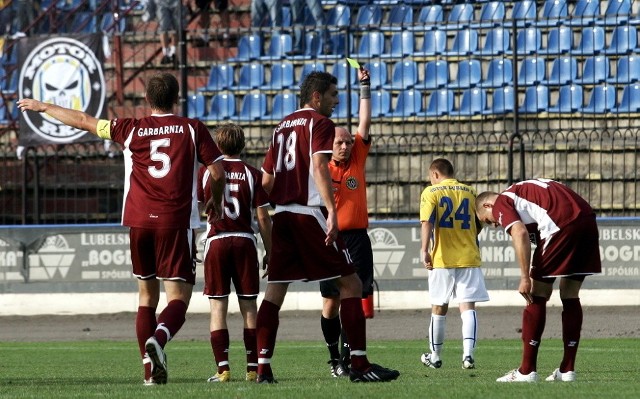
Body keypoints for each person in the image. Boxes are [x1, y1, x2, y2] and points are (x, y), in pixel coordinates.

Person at [17, 72, 226, 386]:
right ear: (176, 98)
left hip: (139, 221)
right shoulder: (192, 129)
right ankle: (159, 337)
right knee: (179, 299)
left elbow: (84, 120)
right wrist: (215, 203)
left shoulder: (130, 129)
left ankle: (149, 372)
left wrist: (42, 106)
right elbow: (218, 171)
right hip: (175, 221)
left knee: (145, 297)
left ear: (146, 100)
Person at [256, 71, 400, 384]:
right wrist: (331, 211)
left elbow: (265, 182)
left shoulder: (281, 128)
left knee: (274, 293)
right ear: (317, 96)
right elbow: (319, 166)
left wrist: (264, 215)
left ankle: (262, 368)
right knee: (351, 285)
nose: (337, 101)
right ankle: (359, 365)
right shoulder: (319, 123)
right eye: (334, 95)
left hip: (282, 216)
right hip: (309, 214)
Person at [475, 179, 602, 383]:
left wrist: (525, 277)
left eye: (488, 220)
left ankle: (526, 371)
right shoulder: (526, 194)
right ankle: (567, 370)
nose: (495, 224)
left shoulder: (503, 201)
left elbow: (520, 232)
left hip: (560, 224)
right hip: (587, 220)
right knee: (570, 293)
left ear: (488, 205)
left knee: (536, 295)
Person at [197, 123, 272, 383]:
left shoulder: (205, 173)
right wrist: (270, 252)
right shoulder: (252, 174)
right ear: (242, 145)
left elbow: (199, 210)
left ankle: (223, 370)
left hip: (217, 240)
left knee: (218, 307)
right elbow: (262, 217)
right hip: (244, 241)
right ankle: (253, 369)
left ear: (217, 145)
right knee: (249, 307)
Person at [319, 67, 373, 378]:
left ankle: (350, 357)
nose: (345, 146)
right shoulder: (322, 166)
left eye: (348, 142)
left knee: (356, 297)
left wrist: (365, 86)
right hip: (332, 239)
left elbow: (364, 122)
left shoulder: (356, 158)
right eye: (340, 142)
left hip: (358, 238)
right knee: (331, 303)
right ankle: (333, 358)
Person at [418, 158, 489, 370]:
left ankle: (435, 355)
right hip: (468, 256)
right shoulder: (470, 191)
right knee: (468, 307)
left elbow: (427, 222)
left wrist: (424, 250)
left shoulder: (431, 192)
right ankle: (468, 356)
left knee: (438, 307)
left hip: (442, 258)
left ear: (435, 175)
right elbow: (480, 221)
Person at [156, 0, 185, 65]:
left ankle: (173, 53)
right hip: (161, 3)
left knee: (176, 27)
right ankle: (166, 53)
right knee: (163, 27)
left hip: (176, 2)